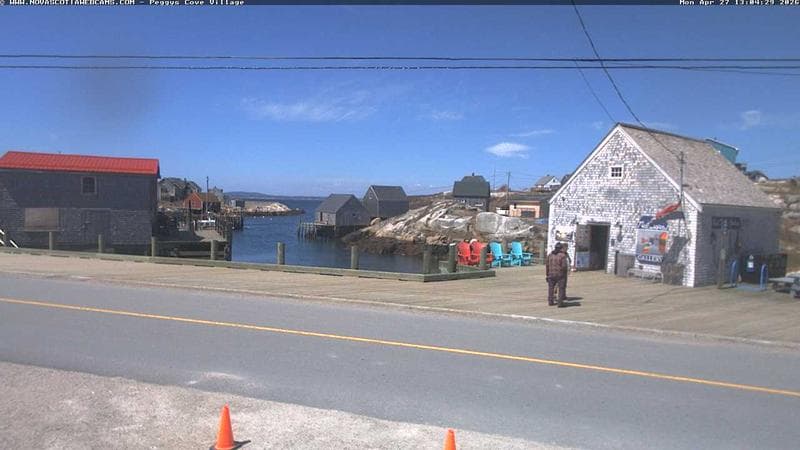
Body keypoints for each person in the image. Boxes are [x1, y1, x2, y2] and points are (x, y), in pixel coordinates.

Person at [545, 243, 569, 307]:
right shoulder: (562, 256)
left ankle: (550, 301)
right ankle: (560, 303)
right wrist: (564, 274)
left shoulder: (550, 255)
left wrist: (547, 274)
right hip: (560, 275)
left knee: (551, 288)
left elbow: (547, 265)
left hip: (551, 274)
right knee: (561, 288)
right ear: (561, 248)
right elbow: (564, 266)